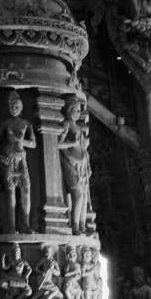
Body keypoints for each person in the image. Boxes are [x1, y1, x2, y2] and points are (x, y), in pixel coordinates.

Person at [0, 90, 36, 233]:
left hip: (22, 160)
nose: (14, 108)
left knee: (26, 192)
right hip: (10, 159)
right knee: (11, 195)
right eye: (11, 106)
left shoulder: (26, 124)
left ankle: (26, 224)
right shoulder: (6, 123)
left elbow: (33, 143)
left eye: (17, 106)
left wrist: (22, 141)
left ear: (22, 107)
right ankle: (11, 227)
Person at [58, 96, 91, 235]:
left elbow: (83, 148)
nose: (78, 112)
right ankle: (75, 226)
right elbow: (59, 144)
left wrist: (88, 164)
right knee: (77, 194)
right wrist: (73, 144)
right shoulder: (66, 124)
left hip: (82, 163)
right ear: (69, 110)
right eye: (76, 109)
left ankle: (83, 226)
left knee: (84, 196)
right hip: (71, 163)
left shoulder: (78, 126)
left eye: (79, 110)